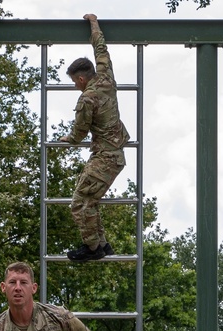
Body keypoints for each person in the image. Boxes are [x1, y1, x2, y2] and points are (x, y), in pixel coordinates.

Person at [58, 13, 130, 262]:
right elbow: (101, 48)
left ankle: (92, 249)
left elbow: (79, 134)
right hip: (114, 155)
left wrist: (69, 139)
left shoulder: (86, 98)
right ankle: (102, 244)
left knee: (79, 202)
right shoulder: (107, 77)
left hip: (105, 157)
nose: (75, 86)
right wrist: (94, 22)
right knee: (90, 200)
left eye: (74, 82)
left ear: (80, 78)